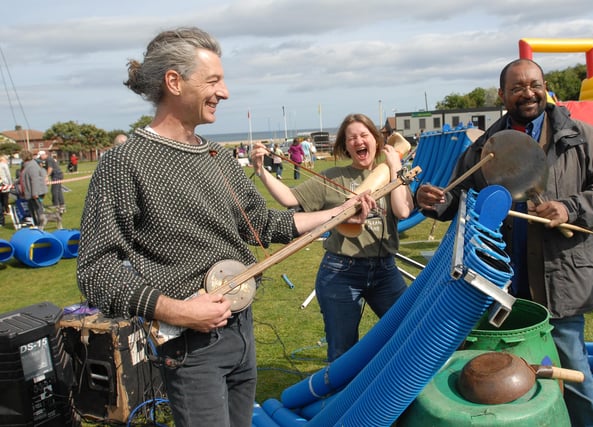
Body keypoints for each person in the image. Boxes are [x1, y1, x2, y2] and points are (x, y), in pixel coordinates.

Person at [76, 27, 374, 427]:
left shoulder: (217, 157)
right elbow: (95, 270)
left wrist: (340, 213)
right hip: (190, 346)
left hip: (242, 332)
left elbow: (265, 225)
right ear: (174, 82)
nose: (225, 92)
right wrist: (180, 311)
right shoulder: (123, 163)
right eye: (213, 80)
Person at [414, 58, 593, 427]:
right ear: (502, 94)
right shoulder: (484, 148)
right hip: (501, 283)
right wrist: (437, 202)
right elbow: (459, 198)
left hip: (560, 280)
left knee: (574, 376)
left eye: (534, 84)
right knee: (501, 380)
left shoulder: (582, 137)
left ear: (545, 86)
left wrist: (570, 208)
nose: (528, 93)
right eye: (517, 87)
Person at [251, 113, 414, 361]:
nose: (358, 141)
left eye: (364, 135)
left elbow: (403, 211)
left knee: (408, 330)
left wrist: (396, 168)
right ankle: (338, 398)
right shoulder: (333, 177)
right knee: (342, 350)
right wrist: (262, 171)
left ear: (375, 140)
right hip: (341, 271)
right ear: (346, 145)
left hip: (385, 270)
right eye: (351, 138)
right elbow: (289, 199)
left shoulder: (393, 172)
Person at [18, 150, 48, 229]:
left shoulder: (32, 166)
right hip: (30, 192)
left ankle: (41, 225)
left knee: (38, 210)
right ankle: (36, 224)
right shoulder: (27, 165)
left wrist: (35, 193)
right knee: (32, 209)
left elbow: (35, 180)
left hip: (35, 192)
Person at [0, 155, 12, 225]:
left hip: (1, 184)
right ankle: (6, 210)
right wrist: (10, 184)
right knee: (5, 198)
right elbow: (8, 175)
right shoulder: (4, 165)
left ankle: (2, 214)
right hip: (5, 184)